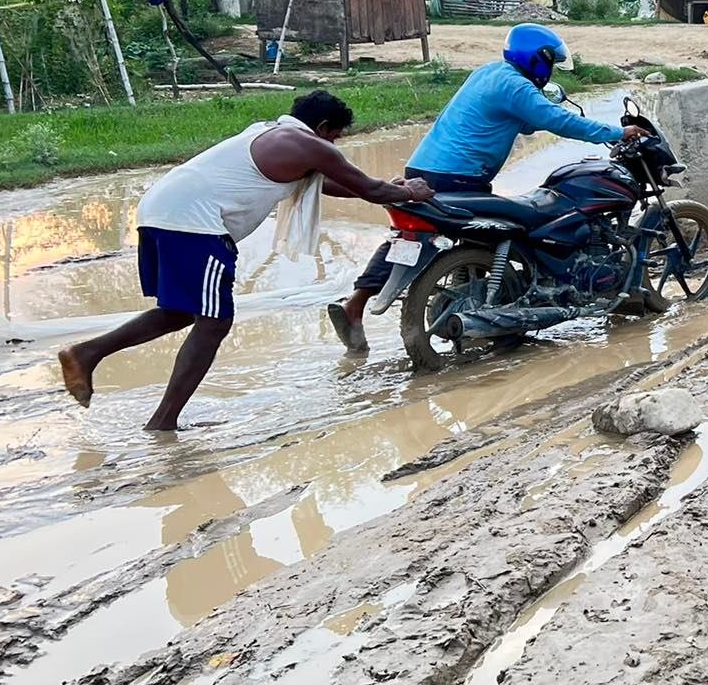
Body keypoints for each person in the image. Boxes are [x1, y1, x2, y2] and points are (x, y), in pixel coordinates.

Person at [56, 90, 433, 431]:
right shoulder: (309, 145)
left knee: (180, 312)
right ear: (322, 128)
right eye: (335, 137)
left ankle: (87, 354)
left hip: (161, 211)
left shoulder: (272, 133)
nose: (334, 145)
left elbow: (335, 185)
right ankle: (163, 422)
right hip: (193, 224)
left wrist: (389, 189)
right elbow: (367, 189)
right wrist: (410, 192)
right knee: (214, 322)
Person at [328, 24, 638, 352]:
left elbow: (525, 121)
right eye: (550, 62)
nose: (550, 69)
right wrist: (618, 133)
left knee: (408, 240)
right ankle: (517, 300)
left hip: (422, 171)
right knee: (519, 229)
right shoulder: (516, 86)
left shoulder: (490, 73)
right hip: (458, 178)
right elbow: (559, 121)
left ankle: (356, 304)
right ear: (539, 59)